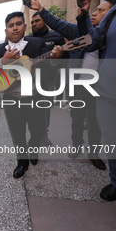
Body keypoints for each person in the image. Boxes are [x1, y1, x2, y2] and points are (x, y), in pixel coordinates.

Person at [30, 0, 116, 170]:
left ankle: (94, 153)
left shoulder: (114, 38)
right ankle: (76, 145)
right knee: (76, 119)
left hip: (100, 89)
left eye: (101, 10)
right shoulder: (78, 32)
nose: (95, 12)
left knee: (95, 122)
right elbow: (57, 23)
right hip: (78, 86)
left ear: (112, 15)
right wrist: (40, 8)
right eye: (95, 9)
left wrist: (83, 15)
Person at [0, 11, 62, 178]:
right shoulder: (0, 49)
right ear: (6, 30)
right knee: (17, 132)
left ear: (25, 26)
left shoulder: (37, 44)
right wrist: (3, 62)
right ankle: (22, 162)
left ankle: (33, 147)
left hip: (35, 97)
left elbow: (49, 70)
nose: (15, 28)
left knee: (39, 130)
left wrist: (55, 60)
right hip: (11, 99)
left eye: (18, 24)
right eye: (11, 25)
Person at [81, 0, 116, 203]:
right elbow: (92, 38)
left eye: (101, 10)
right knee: (114, 140)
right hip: (110, 92)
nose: (97, 12)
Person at [27, 12, 66, 146]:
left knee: (44, 110)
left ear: (45, 22)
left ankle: (44, 134)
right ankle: (34, 134)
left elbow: (65, 59)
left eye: (37, 21)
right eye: (32, 22)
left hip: (48, 80)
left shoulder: (56, 37)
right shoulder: (27, 39)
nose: (34, 24)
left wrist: (58, 60)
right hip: (30, 82)